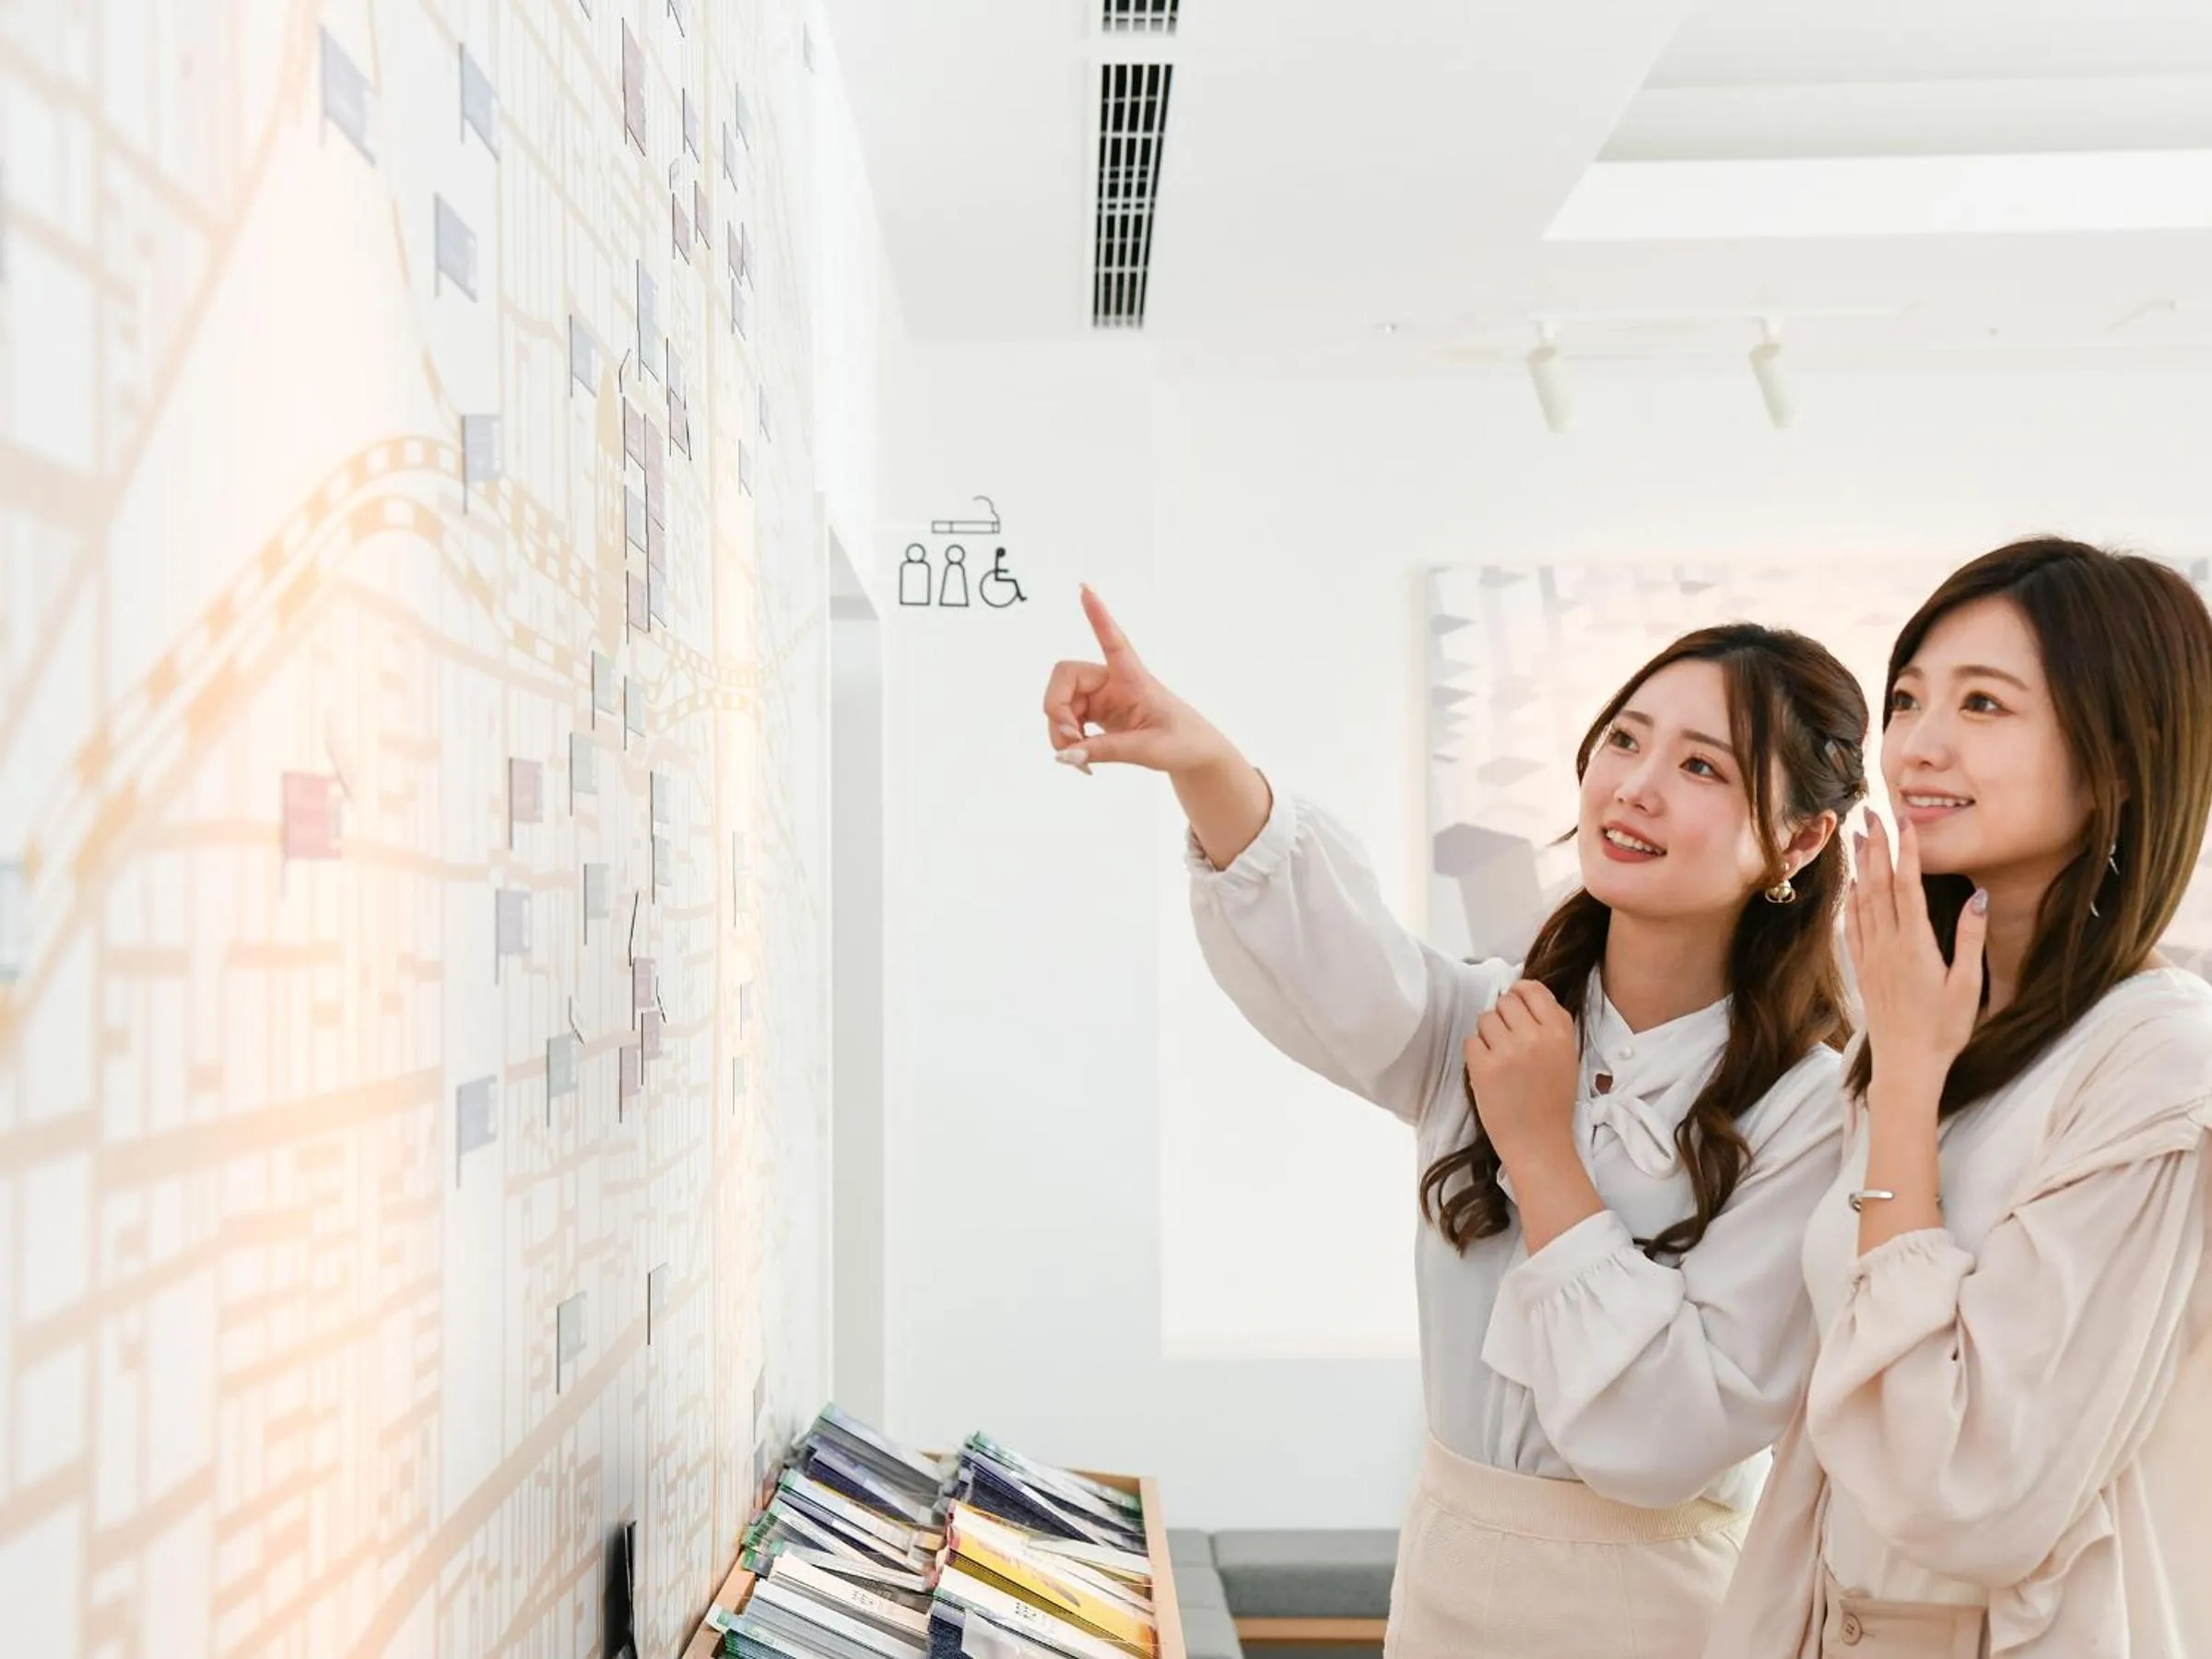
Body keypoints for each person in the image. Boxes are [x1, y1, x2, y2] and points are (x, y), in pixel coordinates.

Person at [1043, 587, 1869, 1657]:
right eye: (1625, 738)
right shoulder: (1488, 1021)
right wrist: (1199, 760)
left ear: (1801, 838)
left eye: (1701, 766)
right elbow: (1331, 959)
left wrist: (1539, 1148)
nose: (1636, 785)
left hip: (1665, 1617)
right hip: (1446, 1595)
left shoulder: (1808, 1110)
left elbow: (1672, 1432)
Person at [1705, 538, 2212, 1657]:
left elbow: (1973, 1489)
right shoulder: (1927, 1017)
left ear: (2123, 759)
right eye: (1908, 697)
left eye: (1984, 704)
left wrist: (1907, 1085)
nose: (1918, 746)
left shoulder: (2162, 1066)